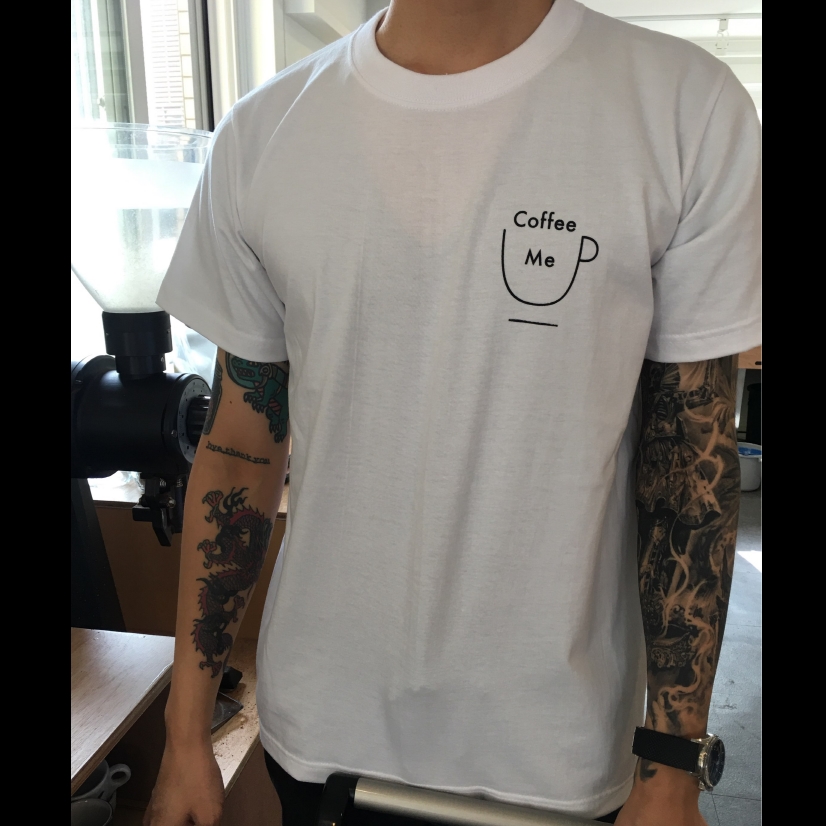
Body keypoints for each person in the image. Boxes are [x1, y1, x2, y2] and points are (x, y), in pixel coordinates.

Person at [145, 1, 761, 824]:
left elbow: (689, 468)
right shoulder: (264, 133)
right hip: (322, 732)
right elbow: (240, 447)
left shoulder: (686, 109)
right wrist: (186, 731)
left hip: (555, 755)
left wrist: (674, 763)